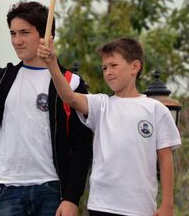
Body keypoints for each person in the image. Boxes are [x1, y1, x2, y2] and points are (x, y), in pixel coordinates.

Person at [0, 0, 92, 216]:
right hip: (9, 190)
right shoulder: (3, 77)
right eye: (13, 33)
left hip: (52, 190)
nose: (17, 40)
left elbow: (82, 146)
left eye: (24, 33)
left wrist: (72, 198)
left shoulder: (70, 82)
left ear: (46, 37)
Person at [38, 37, 181, 216]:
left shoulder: (156, 110)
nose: (108, 72)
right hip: (102, 205)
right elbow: (70, 97)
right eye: (104, 68)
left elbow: (166, 159)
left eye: (114, 65)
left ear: (135, 67)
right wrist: (52, 64)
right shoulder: (101, 105)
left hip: (140, 207)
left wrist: (167, 203)